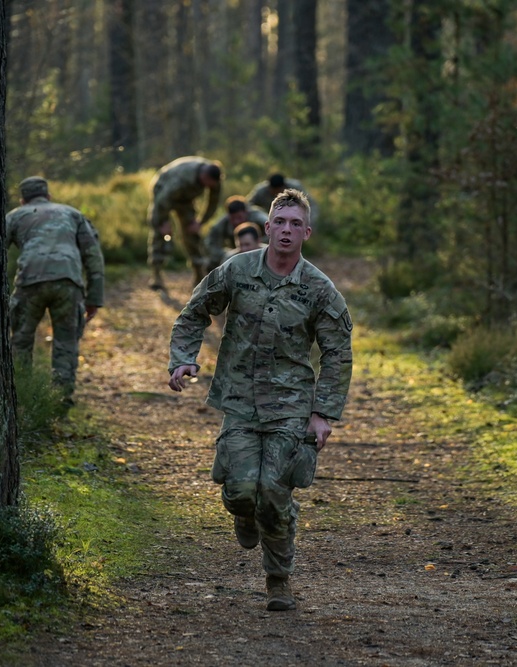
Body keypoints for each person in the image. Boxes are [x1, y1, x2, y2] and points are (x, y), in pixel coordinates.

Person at [167, 189, 353, 611]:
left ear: (306, 232)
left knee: (274, 491)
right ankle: (242, 510)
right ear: (267, 228)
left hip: (291, 404)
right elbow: (195, 311)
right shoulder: (237, 271)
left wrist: (323, 413)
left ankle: (278, 580)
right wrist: (183, 359)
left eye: (295, 224)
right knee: (240, 492)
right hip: (239, 398)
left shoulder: (320, 290)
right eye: (279, 223)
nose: (286, 231)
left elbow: (337, 352)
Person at [6, 176, 105, 402]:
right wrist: (94, 298)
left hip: (30, 282)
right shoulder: (72, 214)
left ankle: (20, 394)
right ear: (48, 196)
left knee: (20, 340)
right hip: (68, 282)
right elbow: (93, 256)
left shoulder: (14, 215)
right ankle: (61, 397)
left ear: (23, 200)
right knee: (66, 340)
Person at [147, 156, 223, 289]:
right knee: (159, 232)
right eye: (206, 184)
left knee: (192, 233)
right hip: (162, 192)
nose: (207, 187)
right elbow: (162, 201)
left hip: (185, 200)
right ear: (203, 176)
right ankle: (156, 274)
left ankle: (199, 272)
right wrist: (163, 222)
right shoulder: (181, 179)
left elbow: (213, 203)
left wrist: (200, 222)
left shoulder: (215, 179)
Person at [205, 196, 268, 272]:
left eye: (239, 217)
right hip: (236, 251)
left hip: (259, 247)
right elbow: (211, 242)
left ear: (246, 213)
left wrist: (258, 245)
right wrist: (224, 253)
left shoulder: (259, 218)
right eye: (233, 218)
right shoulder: (222, 224)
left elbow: (275, 232)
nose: (236, 222)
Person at [246, 173, 318, 226]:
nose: (276, 193)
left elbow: (311, 204)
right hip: (267, 218)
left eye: (278, 191)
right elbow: (247, 205)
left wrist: (308, 221)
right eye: (274, 191)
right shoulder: (260, 191)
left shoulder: (295, 187)